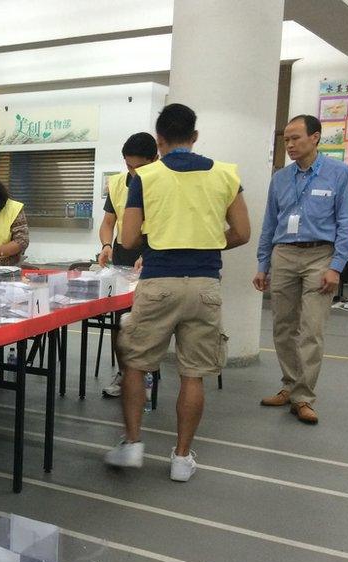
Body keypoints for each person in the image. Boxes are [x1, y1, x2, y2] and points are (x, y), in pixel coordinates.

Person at [104, 103, 251, 482]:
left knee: (135, 363)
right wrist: (206, 244)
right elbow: (243, 232)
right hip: (205, 285)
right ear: (195, 137)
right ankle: (182, 459)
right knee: (193, 373)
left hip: (159, 281)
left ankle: (133, 443)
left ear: (160, 140)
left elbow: (131, 236)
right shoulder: (226, 174)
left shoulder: (145, 177)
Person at [253, 114, 348, 424]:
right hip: (284, 254)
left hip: (320, 256)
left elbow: (346, 223)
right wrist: (263, 264)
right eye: (286, 139)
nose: (290, 144)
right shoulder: (281, 178)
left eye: (296, 138)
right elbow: (270, 224)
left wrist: (336, 266)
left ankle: (304, 397)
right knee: (283, 326)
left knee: (311, 328)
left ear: (315, 138)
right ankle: (289, 385)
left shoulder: (339, 174)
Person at [98, 132, 159, 398]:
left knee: (144, 321)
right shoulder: (119, 184)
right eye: (128, 165)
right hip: (123, 256)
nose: (133, 171)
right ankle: (124, 374)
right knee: (119, 322)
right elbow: (108, 222)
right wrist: (106, 245)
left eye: (139, 166)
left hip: (153, 256)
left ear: (155, 159)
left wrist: (151, 253)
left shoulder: (163, 182)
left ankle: (144, 378)